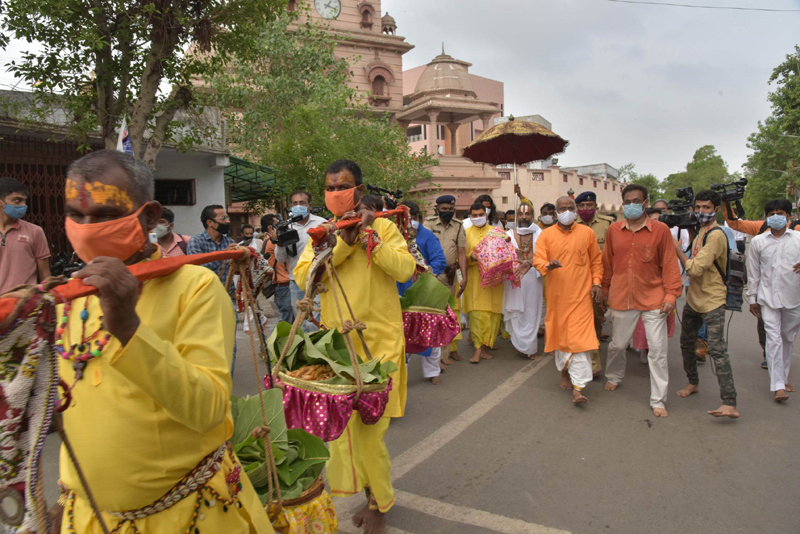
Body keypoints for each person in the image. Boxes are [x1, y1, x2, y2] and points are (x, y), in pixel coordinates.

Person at [53, 150, 273, 533]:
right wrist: (67, 494)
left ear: (150, 216)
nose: (86, 229)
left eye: (104, 215)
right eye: (76, 214)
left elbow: (207, 410)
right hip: (86, 516)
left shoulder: (196, 288)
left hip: (188, 512)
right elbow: (70, 411)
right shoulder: (70, 298)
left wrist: (129, 330)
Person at [294, 159, 415, 534]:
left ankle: (380, 502)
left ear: (359, 191)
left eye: (342, 187)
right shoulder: (320, 232)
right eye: (329, 188)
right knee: (345, 434)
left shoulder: (384, 226)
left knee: (369, 435)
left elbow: (405, 270)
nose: (335, 194)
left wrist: (367, 238)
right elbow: (304, 279)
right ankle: (370, 492)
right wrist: (341, 243)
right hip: (336, 349)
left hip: (379, 347)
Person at [601, 185, 682, 417]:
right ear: (622, 203)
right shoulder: (614, 230)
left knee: (657, 350)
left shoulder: (661, 230)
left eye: (636, 200)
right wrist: (604, 290)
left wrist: (671, 295)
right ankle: (614, 376)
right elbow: (608, 263)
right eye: (627, 201)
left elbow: (669, 264)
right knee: (617, 345)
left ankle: (658, 399)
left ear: (646, 203)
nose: (631, 205)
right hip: (621, 297)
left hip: (654, 298)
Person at [672, 190, 739, 418]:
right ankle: (693, 382)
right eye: (698, 207)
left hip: (712, 300)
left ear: (716, 209)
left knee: (718, 350)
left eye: (706, 208)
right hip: (695, 298)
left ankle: (729, 402)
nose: (701, 212)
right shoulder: (701, 231)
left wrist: (677, 248)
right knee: (686, 343)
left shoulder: (717, 235)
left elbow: (694, 268)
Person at [533, 196, 604, 404]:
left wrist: (597, 283)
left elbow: (596, 261)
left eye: (570, 208)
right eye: (562, 208)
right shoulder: (546, 235)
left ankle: (578, 387)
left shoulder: (587, 233)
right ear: (555, 213)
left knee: (580, 342)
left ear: (576, 211)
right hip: (557, 298)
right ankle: (564, 372)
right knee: (562, 340)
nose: (567, 211)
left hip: (582, 297)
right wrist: (548, 266)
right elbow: (538, 259)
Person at [746, 199, 800, 402]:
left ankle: (783, 378)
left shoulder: (798, 239)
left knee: (788, 338)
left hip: (794, 297)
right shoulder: (759, 241)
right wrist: (752, 298)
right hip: (767, 298)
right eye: (771, 213)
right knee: (774, 339)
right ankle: (778, 386)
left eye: (780, 213)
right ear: (766, 217)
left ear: (788, 216)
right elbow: (753, 273)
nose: (775, 216)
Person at [397, 200, 447, 384]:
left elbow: (439, 260)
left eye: (412, 218)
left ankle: (433, 372)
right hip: (399, 291)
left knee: (430, 332)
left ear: (419, 218)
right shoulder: (392, 235)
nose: (409, 222)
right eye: (405, 218)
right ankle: (402, 376)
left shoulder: (426, 235)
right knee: (402, 334)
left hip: (424, 292)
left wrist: (426, 276)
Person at [425, 194, 468, 364]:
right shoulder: (428, 224)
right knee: (432, 315)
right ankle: (432, 358)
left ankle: (444, 355)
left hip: (449, 275)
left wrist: (464, 277)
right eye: (444, 209)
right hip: (432, 275)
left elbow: (462, 253)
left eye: (451, 209)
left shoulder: (458, 226)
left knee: (446, 315)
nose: (448, 212)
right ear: (437, 209)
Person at [274, 190, 326, 332]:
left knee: (318, 319)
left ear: (309, 205)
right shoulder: (286, 227)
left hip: (319, 280)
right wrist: (279, 242)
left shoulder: (321, 223)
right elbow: (281, 258)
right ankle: (305, 352)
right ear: (291, 206)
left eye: (302, 203)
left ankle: (318, 351)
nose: (298, 206)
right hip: (296, 281)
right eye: (295, 203)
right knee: (301, 322)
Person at [576, 191, 615, 377]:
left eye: (589, 205)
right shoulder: (572, 226)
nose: (585, 209)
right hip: (579, 282)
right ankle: (593, 361)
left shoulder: (608, 225)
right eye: (582, 206)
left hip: (601, 280)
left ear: (596, 207)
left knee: (598, 318)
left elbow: (613, 255)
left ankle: (594, 346)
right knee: (586, 320)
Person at [632, 208, 678, 364]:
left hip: (660, 292)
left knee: (657, 339)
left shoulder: (668, 236)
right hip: (639, 291)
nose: (658, 223)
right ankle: (644, 349)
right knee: (641, 327)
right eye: (655, 220)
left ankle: (655, 355)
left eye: (661, 220)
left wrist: (671, 294)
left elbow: (672, 267)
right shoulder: (636, 236)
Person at [463, 203, 505, 364]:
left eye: (480, 214)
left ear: (486, 216)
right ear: (470, 217)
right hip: (475, 281)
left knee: (492, 315)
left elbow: (505, 253)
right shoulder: (465, 234)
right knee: (476, 315)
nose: (477, 217)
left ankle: (487, 345)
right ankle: (478, 348)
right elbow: (461, 257)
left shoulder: (497, 233)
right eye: (474, 215)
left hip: (494, 282)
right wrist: (471, 258)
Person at [502, 200, 543, 359]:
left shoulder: (541, 234)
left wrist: (530, 259)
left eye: (527, 213)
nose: (524, 216)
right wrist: (512, 255)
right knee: (517, 311)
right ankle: (519, 345)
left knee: (532, 311)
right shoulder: (508, 235)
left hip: (533, 277)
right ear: (517, 216)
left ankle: (530, 348)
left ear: (532, 215)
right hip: (514, 277)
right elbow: (501, 256)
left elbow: (546, 254)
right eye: (521, 213)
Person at [0, 176, 50, 295]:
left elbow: (45, 274)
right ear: (1, 203)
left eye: (24, 201)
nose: (23, 206)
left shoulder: (35, 232)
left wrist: (48, 298)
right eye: (17, 201)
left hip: (26, 303)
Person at [187, 204, 235, 293]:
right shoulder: (196, 242)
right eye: (223, 218)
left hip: (229, 294)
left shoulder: (229, 242)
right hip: (205, 294)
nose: (227, 221)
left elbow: (235, 269)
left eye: (227, 217)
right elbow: (198, 269)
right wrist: (223, 255)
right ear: (209, 222)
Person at [261, 213, 294, 324]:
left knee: (290, 319)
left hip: (284, 284)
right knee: (286, 320)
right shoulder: (271, 241)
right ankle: (277, 341)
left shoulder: (268, 240)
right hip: (283, 284)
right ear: (271, 227)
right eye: (278, 224)